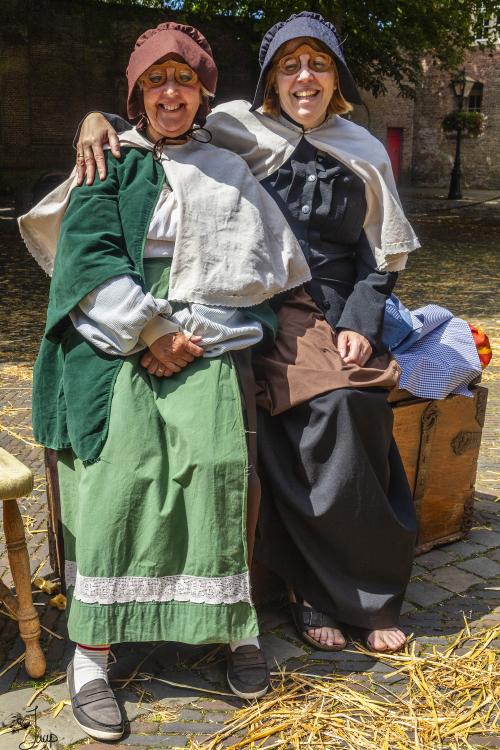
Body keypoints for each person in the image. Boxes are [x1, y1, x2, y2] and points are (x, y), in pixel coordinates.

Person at [70, 12, 422, 655]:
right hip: (248, 298)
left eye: (317, 63)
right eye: (289, 65)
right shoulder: (237, 125)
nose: (304, 77)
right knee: (287, 410)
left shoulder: (366, 150)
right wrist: (98, 120)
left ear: (336, 76)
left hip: (331, 309)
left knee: (347, 405)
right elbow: (162, 122)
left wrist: (360, 327)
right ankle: (307, 587)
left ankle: (357, 592)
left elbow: (383, 259)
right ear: (270, 80)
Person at [19, 21, 312, 741]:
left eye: (184, 79)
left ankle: (232, 630)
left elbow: (255, 277)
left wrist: (193, 337)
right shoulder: (111, 162)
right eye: (156, 81)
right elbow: (86, 256)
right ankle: (89, 656)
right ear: (137, 96)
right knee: (123, 473)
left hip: (211, 336)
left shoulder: (230, 168)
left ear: (204, 92)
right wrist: (151, 331)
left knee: (216, 465)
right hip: (116, 334)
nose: (170, 93)